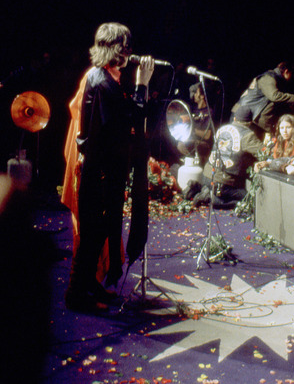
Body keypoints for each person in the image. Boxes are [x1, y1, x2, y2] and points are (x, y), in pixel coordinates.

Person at [64, 22, 155, 312]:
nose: (129, 52)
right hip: (100, 174)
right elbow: (130, 116)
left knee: (98, 232)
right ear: (118, 48)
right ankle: (76, 295)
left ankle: (88, 284)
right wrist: (143, 83)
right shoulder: (101, 81)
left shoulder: (102, 77)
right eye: (126, 46)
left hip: (102, 171)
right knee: (94, 233)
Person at [176, 82, 213, 163]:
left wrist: (192, 129)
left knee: (183, 144)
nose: (194, 95)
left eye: (196, 92)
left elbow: (207, 136)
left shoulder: (210, 112)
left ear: (202, 95)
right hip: (193, 141)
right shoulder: (194, 111)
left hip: (204, 144)